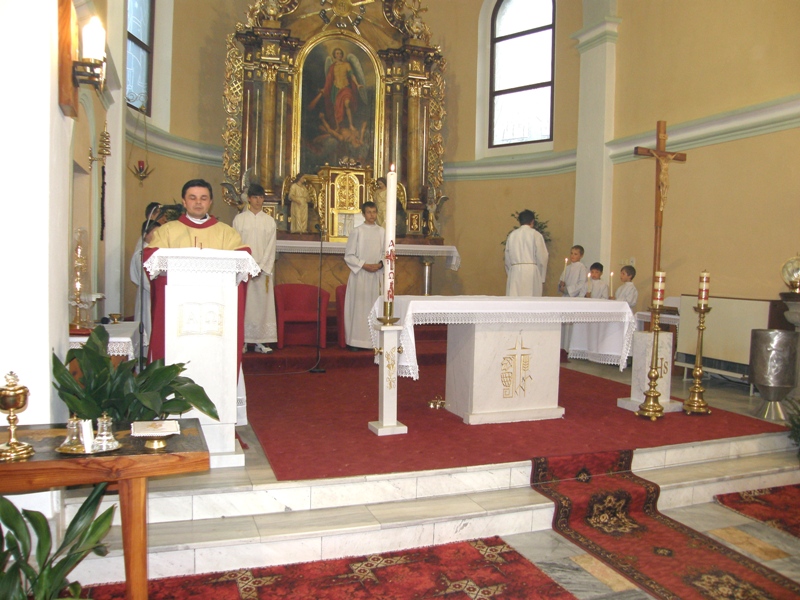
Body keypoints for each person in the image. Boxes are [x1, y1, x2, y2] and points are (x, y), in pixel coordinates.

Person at [144, 179, 250, 363]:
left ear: (210, 202)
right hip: (177, 310)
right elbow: (151, 259)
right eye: (192, 198)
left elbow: (243, 258)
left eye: (203, 198)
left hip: (215, 310)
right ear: (184, 202)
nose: (198, 202)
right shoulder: (167, 231)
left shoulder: (226, 232)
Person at [233, 183, 277, 354]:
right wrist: (246, 267)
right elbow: (236, 244)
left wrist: (262, 267)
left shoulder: (269, 221)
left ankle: (260, 341)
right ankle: (243, 341)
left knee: (261, 307)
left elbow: (271, 246)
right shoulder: (239, 220)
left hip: (263, 270)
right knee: (245, 306)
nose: (258, 201)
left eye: (261, 197)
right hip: (244, 270)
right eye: (255, 197)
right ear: (249, 199)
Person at [344, 201, 384, 350]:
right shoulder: (357, 231)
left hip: (376, 275)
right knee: (359, 308)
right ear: (363, 214)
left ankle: (373, 341)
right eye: (369, 212)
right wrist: (364, 265)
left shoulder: (382, 232)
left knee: (374, 307)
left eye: (374, 212)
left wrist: (380, 264)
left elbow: (386, 253)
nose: (372, 215)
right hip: (360, 275)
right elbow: (349, 255)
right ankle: (355, 341)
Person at [130, 220, 160, 352]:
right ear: (145, 234)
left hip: (154, 296)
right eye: (156, 233)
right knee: (148, 329)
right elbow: (146, 281)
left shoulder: (154, 252)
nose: (158, 236)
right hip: (148, 297)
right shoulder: (141, 255)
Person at [504, 209, 548, 297]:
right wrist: (540, 276)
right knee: (531, 301)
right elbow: (542, 256)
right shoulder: (536, 235)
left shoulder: (512, 235)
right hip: (531, 273)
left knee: (515, 300)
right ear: (532, 221)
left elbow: (507, 258)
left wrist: (511, 271)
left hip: (515, 272)